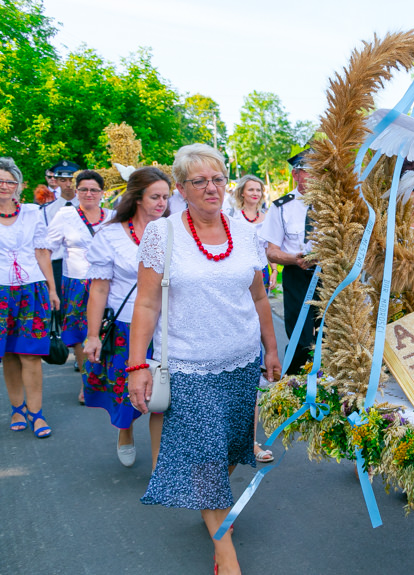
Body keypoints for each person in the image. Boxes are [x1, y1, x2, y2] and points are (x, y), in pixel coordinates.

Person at [127, 143, 280, 575]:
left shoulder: (247, 233)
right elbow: (146, 304)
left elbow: (259, 295)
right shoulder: (163, 233)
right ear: (181, 188)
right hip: (189, 366)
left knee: (231, 447)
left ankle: (208, 504)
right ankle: (225, 553)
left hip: (243, 359)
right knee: (207, 454)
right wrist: (137, 364)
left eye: (217, 179)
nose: (211, 188)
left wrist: (271, 349)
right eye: (199, 181)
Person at [81, 167, 170, 468]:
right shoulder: (110, 235)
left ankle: (160, 463)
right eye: (155, 197)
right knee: (126, 389)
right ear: (137, 198)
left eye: (166, 197)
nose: (161, 203)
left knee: (161, 391)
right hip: (126, 326)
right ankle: (125, 432)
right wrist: (93, 335)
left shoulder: (173, 231)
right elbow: (99, 289)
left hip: (165, 325)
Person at [1, 157, 60, 438]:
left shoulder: (32, 212)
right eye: (0, 181)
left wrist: (51, 288)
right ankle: (16, 407)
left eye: (10, 181)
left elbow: (41, 252)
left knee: (30, 353)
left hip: (31, 288)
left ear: (18, 186)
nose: (4, 186)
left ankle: (36, 413)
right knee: (9, 354)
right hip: (1, 291)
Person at [46, 170, 114, 402]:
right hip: (76, 282)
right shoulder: (66, 215)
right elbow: (45, 248)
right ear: (76, 192)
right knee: (80, 335)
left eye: (94, 189)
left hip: (108, 282)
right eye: (83, 189)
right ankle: (87, 384)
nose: (88, 194)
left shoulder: (113, 216)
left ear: (102, 193)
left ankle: (108, 379)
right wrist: (50, 285)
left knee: (109, 331)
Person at [228, 173, 278, 464]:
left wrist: (271, 269)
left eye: (259, 189)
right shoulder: (230, 220)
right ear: (242, 194)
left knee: (252, 377)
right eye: (251, 189)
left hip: (254, 286)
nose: (256, 193)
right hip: (229, 300)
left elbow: (268, 248)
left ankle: (249, 440)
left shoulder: (267, 217)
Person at [259, 149, 318, 374]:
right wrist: (293, 259)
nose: (314, 177)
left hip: (330, 276)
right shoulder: (281, 207)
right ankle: (293, 386)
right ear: (296, 174)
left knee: (331, 337)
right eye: (308, 172)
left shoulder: (333, 205)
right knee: (301, 339)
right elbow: (272, 252)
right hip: (297, 275)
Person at [40, 160, 80, 324]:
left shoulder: (89, 207)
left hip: (80, 264)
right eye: (63, 180)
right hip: (56, 263)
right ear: (55, 181)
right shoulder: (46, 210)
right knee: (58, 310)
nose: (68, 184)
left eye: (71, 179)